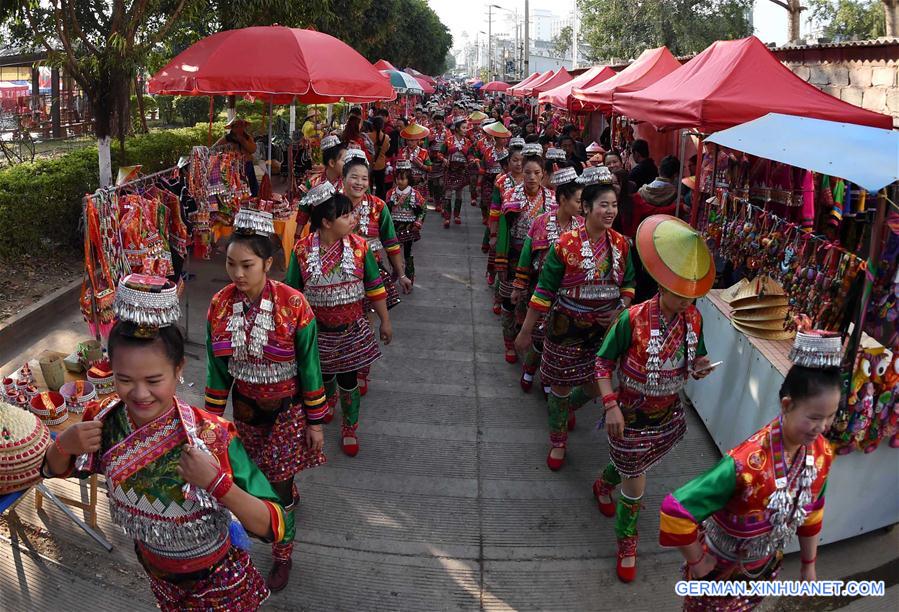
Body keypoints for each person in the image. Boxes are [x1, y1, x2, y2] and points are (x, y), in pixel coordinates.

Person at [44, 275, 286, 610]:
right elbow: (53, 469)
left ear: (178, 369)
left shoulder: (210, 436)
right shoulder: (103, 420)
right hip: (157, 575)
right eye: (124, 379)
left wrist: (217, 484)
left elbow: (274, 524)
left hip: (218, 582)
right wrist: (63, 445)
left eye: (154, 380)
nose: (140, 394)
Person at [659, 323, 839, 611]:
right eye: (814, 417)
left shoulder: (821, 455)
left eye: (830, 416)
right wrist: (697, 559)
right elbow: (675, 511)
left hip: (762, 570)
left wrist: (808, 565)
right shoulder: (746, 464)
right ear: (787, 405)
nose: (822, 427)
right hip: (717, 573)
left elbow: (812, 512)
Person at [204, 207, 327, 590]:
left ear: (268, 263)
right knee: (250, 482)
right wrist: (209, 424)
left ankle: (282, 553)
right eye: (230, 265)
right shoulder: (219, 306)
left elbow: (309, 366)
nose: (238, 274)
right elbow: (217, 368)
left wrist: (316, 421)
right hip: (244, 412)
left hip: (287, 413)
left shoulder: (294, 306)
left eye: (247, 265)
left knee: (276, 488)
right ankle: (284, 497)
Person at [592, 214, 715, 583]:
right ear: (662, 285)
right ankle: (627, 541)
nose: (686, 302)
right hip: (629, 415)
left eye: (691, 295)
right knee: (637, 481)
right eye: (680, 294)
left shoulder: (693, 320)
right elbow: (601, 363)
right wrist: (610, 404)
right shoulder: (630, 319)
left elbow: (696, 358)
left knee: (635, 471)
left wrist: (701, 367)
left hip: (666, 416)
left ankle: (603, 482)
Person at [516, 172, 635, 470]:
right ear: (586, 208)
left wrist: (621, 306)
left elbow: (629, 283)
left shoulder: (621, 244)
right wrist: (526, 330)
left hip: (604, 331)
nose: (609, 211)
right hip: (566, 326)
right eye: (603, 205)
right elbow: (544, 291)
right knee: (559, 386)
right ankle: (558, 441)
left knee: (597, 385)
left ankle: (568, 407)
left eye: (614, 205)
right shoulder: (565, 245)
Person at [286, 186, 392, 457]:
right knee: (322, 375)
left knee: (348, 379)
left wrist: (385, 320)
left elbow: (375, 285)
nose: (352, 220)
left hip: (350, 331)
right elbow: (292, 294)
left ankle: (349, 427)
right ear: (326, 222)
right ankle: (326, 402)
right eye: (345, 216)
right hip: (316, 332)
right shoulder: (301, 250)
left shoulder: (360, 247)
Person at [511, 167, 585, 395]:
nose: (582, 206)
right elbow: (526, 256)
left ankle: (547, 376)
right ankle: (530, 369)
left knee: (559, 340)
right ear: (563, 199)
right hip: (542, 289)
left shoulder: (582, 226)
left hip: (570, 295)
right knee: (540, 335)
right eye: (578, 201)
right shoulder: (541, 222)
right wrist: (519, 285)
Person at [495, 143, 557, 364]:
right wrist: (500, 261)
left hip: (539, 259)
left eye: (537, 173)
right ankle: (509, 342)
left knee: (534, 301)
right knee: (509, 300)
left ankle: (527, 336)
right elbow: (503, 231)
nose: (531, 177)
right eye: (528, 172)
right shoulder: (512, 195)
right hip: (513, 255)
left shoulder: (551, 199)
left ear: (543, 175)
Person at [487, 139, 525, 314]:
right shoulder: (501, 181)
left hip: (526, 232)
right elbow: (494, 209)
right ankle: (499, 298)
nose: (519, 164)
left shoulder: (530, 180)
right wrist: (494, 234)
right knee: (502, 267)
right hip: (504, 230)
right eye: (515, 160)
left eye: (522, 160)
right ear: (508, 162)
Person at [386, 160, 426, 283]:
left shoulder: (415, 194)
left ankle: (409, 275)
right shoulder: (390, 193)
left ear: (409, 179)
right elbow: (385, 210)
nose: (400, 181)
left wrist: (418, 223)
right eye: (398, 179)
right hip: (394, 226)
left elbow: (423, 210)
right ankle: (396, 271)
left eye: (403, 179)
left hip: (409, 226)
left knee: (408, 252)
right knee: (391, 251)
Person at [295, 135, 347, 227]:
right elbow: (304, 210)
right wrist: (297, 237)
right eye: (344, 160)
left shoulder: (347, 184)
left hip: (340, 233)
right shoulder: (313, 182)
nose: (347, 164)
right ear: (332, 163)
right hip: (317, 232)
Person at [215, 116, 258, 197]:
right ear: (233, 128)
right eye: (237, 126)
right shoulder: (226, 138)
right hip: (233, 168)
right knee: (237, 188)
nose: (240, 128)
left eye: (242, 126)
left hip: (247, 164)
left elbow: (253, 149)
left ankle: (252, 199)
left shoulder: (247, 137)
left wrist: (243, 141)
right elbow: (215, 148)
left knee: (251, 186)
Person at [444, 117, 473, 228]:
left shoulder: (468, 142)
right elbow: (441, 153)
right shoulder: (448, 140)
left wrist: (471, 160)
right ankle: (447, 217)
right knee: (448, 193)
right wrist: (444, 159)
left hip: (461, 170)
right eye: (463, 128)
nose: (466, 130)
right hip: (450, 169)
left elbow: (470, 155)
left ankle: (457, 215)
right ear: (457, 128)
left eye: (466, 128)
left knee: (459, 194)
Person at [428, 110, 449, 212]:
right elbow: (426, 142)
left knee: (442, 183)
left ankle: (442, 201)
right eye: (436, 124)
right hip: (433, 160)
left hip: (443, 160)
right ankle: (437, 203)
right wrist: (432, 138)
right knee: (435, 183)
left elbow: (450, 145)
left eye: (440, 124)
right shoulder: (430, 131)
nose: (438, 125)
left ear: (443, 123)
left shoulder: (447, 132)